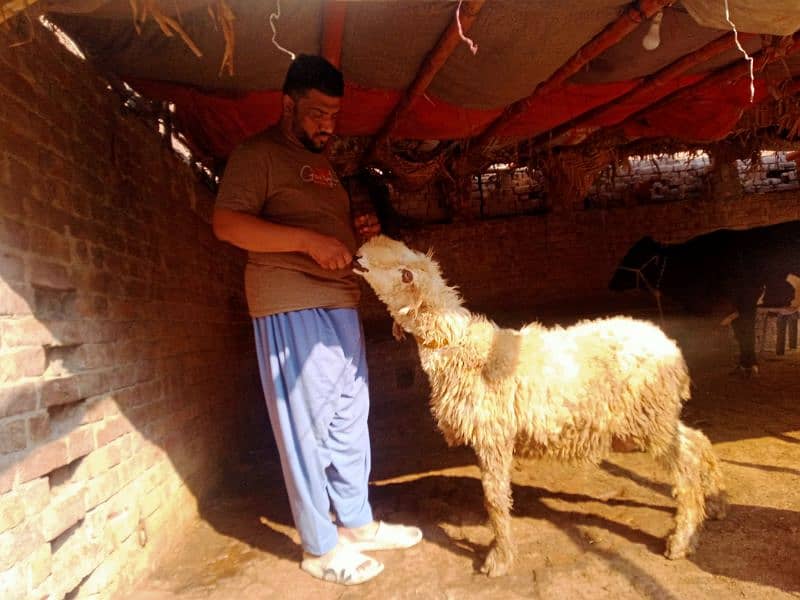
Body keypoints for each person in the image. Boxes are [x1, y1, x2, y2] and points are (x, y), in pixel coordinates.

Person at [212, 54, 422, 586]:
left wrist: (358, 242)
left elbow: (326, 226)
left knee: (350, 416)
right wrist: (306, 242)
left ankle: (355, 523)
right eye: (316, 114)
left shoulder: (325, 169)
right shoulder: (256, 154)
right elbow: (227, 223)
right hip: (288, 300)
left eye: (334, 115)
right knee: (306, 425)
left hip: (339, 300)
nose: (328, 125)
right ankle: (319, 547)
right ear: (287, 105)